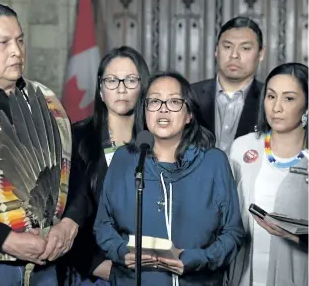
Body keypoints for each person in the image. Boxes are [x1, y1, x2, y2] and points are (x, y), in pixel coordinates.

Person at [93, 71, 245, 285]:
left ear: (189, 114)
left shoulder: (213, 162)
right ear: (144, 111)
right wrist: (120, 252)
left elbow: (233, 233)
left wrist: (198, 259)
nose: (163, 108)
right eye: (154, 101)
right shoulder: (124, 160)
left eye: (174, 101)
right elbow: (103, 224)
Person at [0, 3, 77, 285]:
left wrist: (69, 223)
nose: (16, 50)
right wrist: (5, 240)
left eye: (20, 40)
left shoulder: (47, 99)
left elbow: (76, 175)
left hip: (50, 263)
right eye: (2, 42)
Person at [60, 46, 150, 285]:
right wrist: (101, 267)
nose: (121, 88)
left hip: (146, 270)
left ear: (143, 87)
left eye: (130, 80)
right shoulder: (76, 139)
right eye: (112, 80)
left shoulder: (154, 141)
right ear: (100, 90)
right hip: (91, 272)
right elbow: (65, 214)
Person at [228, 62, 308, 286]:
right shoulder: (241, 148)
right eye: (271, 96)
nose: (277, 107)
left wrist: (298, 237)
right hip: (243, 275)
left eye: (289, 98)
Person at [191, 16, 265, 154]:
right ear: (216, 50)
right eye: (227, 47)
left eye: (245, 48)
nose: (234, 55)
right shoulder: (190, 95)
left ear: (260, 54)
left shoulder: (269, 100)